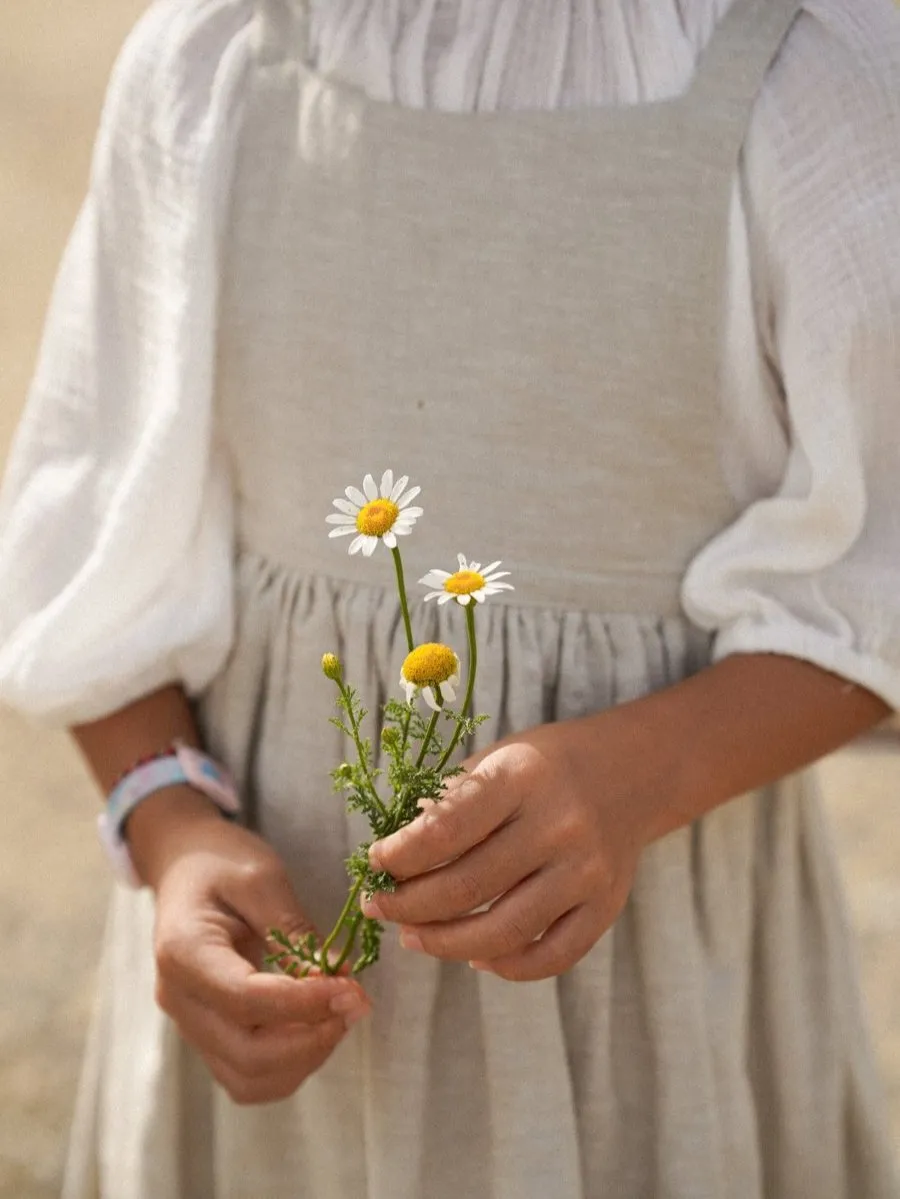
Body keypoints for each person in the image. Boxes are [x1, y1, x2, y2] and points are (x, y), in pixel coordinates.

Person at [1, 0, 898, 1195]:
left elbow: (875, 570)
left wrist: (644, 771)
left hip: (640, 1006)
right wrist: (171, 827)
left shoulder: (806, 73)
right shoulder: (219, 59)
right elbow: (104, 523)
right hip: (282, 1021)